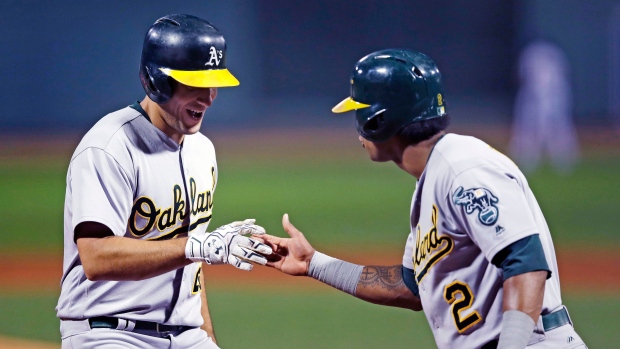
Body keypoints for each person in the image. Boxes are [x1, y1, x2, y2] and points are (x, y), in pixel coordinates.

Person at [259, 49, 587, 349]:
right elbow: (410, 287)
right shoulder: (432, 180)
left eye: (358, 112)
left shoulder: (464, 167)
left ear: (377, 121)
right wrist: (313, 263)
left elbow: (526, 262)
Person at [55, 14, 272, 349]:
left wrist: (206, 336)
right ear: (157, 81)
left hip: (186, 335)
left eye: (213, 84)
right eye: (195, 84)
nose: (209, 97)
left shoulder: (203, 150)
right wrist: (194, 246)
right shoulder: (110, 146)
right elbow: (96, 257)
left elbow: (190, 267)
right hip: (109, 333)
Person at [509, 39, 579, 174]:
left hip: (554, 96)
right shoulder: (533, 53)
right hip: (533, 96)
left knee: (559, 129)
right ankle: (527, 159)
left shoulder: (547, 54)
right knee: (528, 128)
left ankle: (563, 160)